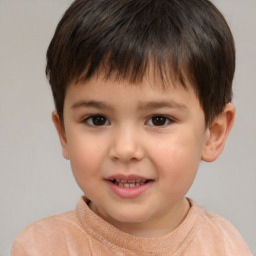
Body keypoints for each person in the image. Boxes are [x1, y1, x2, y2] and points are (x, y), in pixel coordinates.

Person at [11, 0, 252, 255]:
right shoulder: (40, 247)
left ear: (212, 134)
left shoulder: (226, 246)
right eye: (97, 119)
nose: (125, 149)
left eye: (158, 120)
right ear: (64, 135)